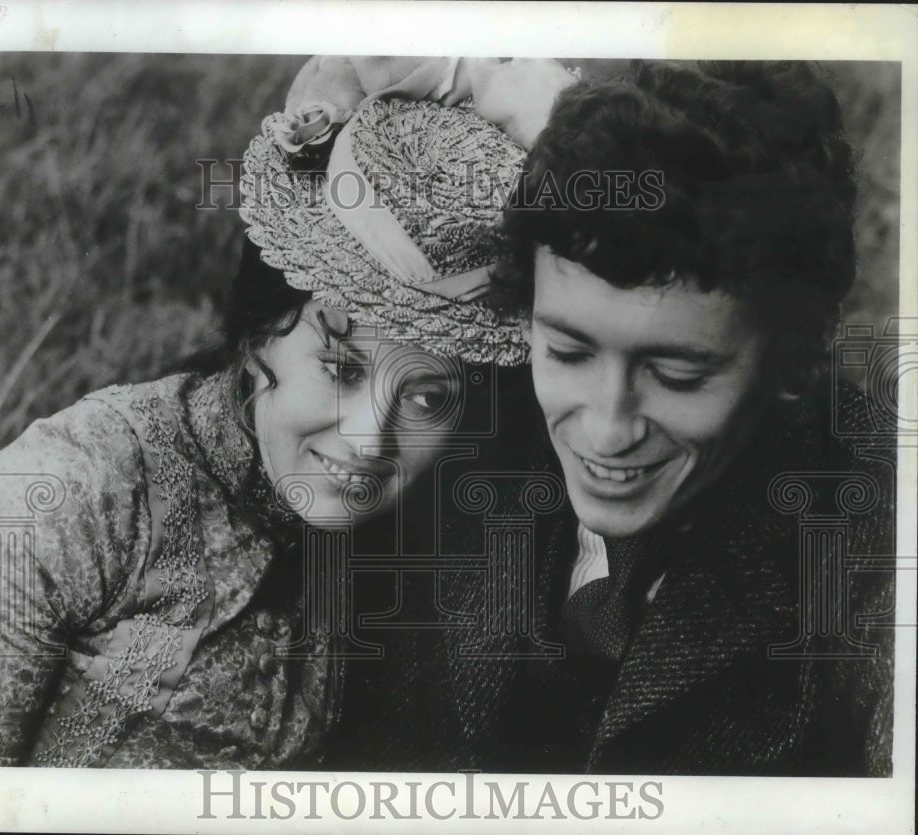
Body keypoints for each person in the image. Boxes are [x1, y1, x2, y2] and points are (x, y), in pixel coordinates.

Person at [0, 55, 543, 768]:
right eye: (341, 367)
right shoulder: (59, 503)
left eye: (428, 396)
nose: (367, 438)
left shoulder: (435, 538)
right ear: (260, 331)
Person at [329, 60, 896, 777]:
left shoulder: (874, 532)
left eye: (677, 375)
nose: (604, 430)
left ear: (790, 360)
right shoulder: (443, 419)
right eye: (567, 351)